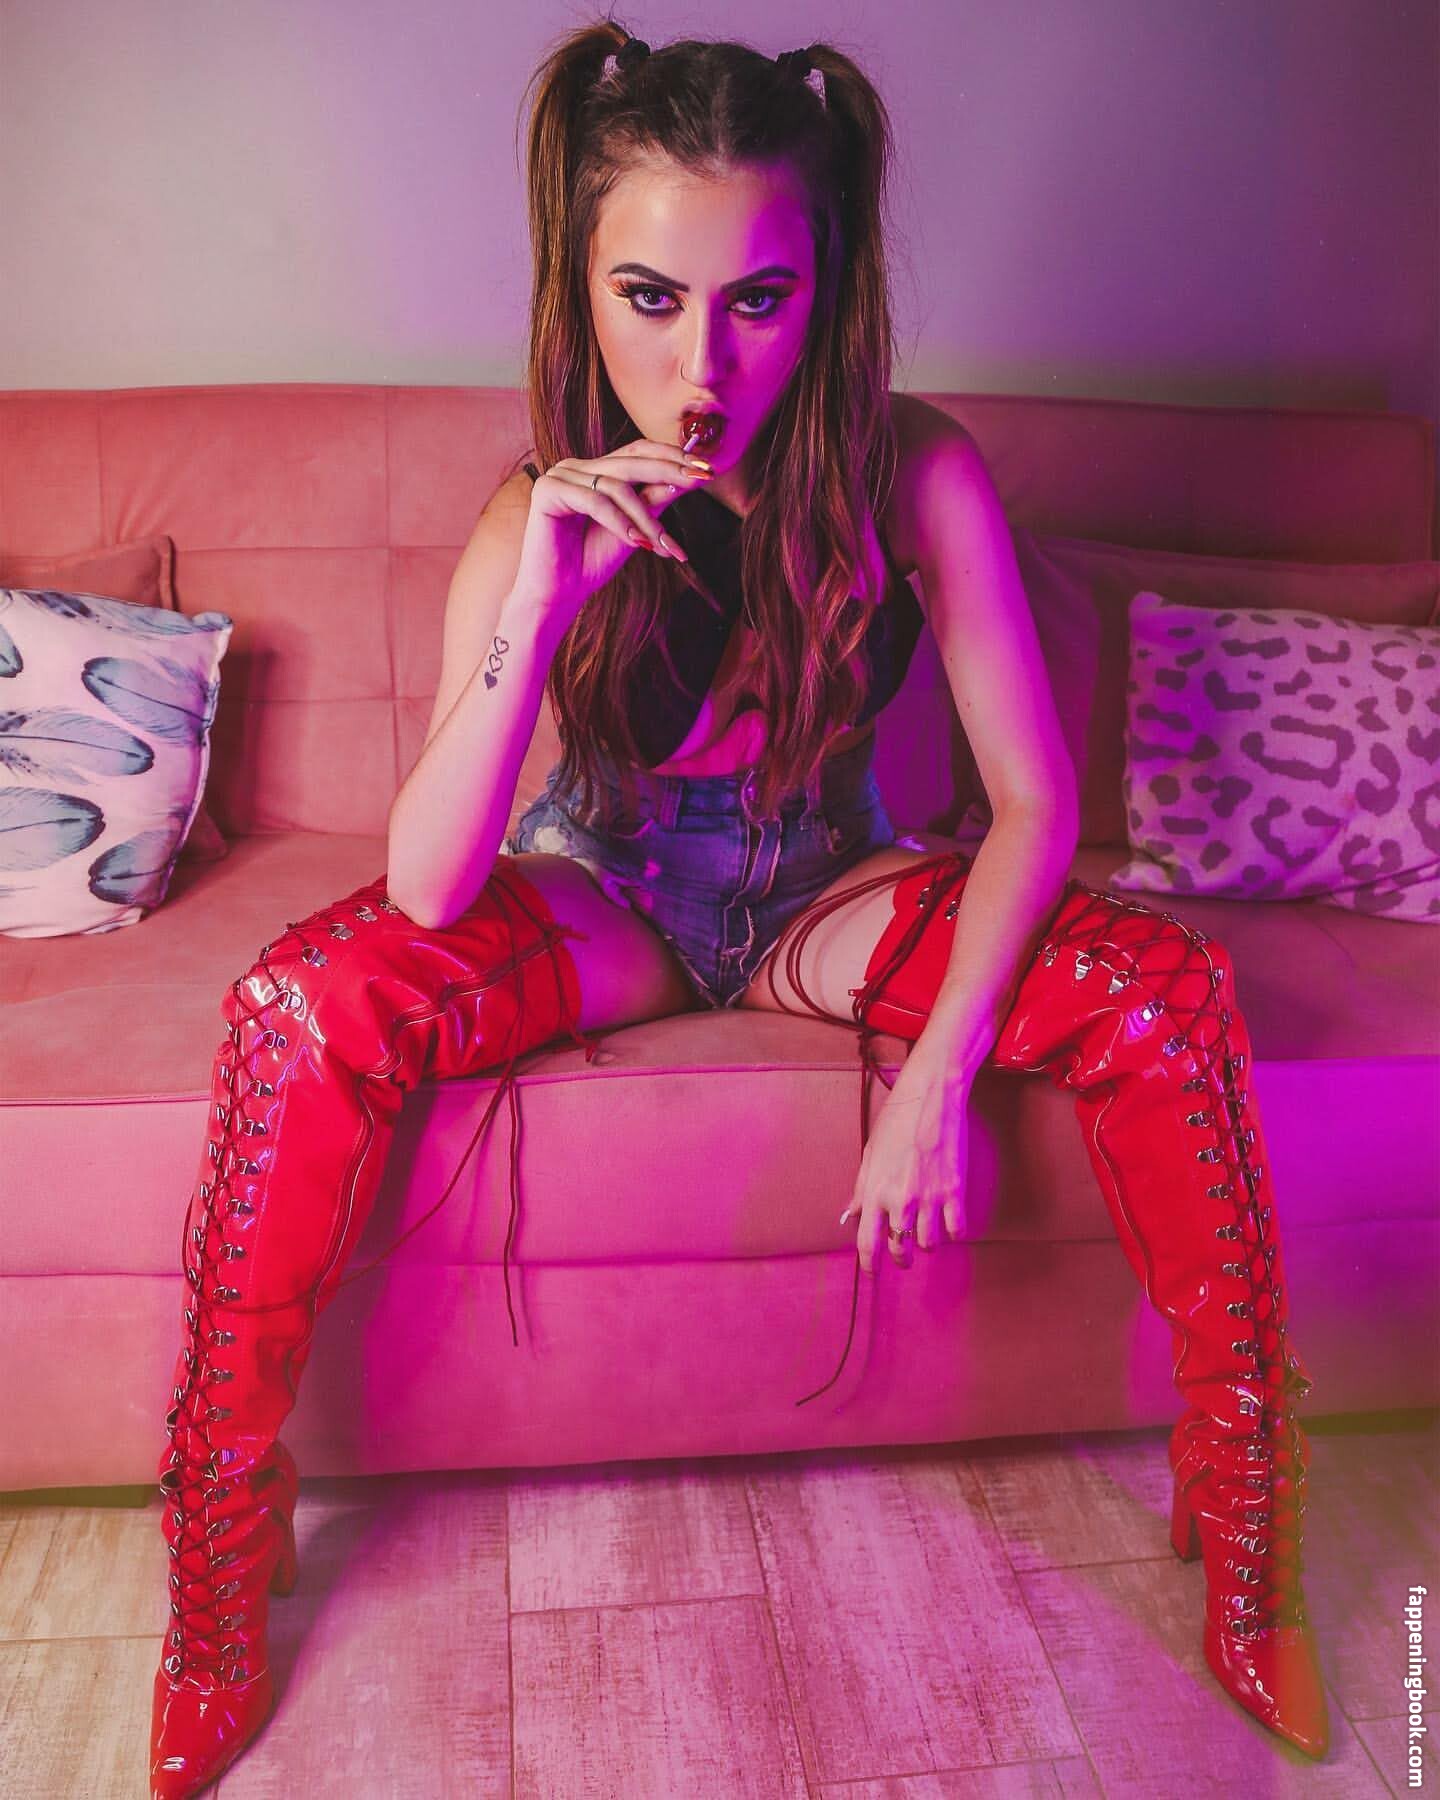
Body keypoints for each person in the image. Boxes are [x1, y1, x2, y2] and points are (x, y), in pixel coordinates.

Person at [148, 23, 1328, 1796]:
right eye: (651, 298)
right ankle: (218, 1559)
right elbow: (432, 886)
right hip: (606, 897)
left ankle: (1245, 1517)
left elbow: (1032, 806)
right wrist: (537, 608)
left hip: (822, 891)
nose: (703, 363)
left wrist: (932, 1090)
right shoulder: (533, 513)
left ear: (824, 288)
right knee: (293, 1006)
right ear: (583, 288)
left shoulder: (913, 471)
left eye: (759, 300)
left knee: (1163, 990)